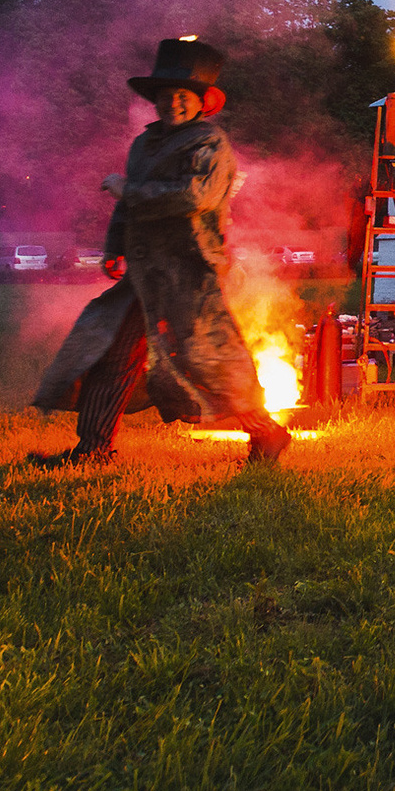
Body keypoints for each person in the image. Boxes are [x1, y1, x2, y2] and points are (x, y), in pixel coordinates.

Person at [30, 38, 289, 468]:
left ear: (201, 102)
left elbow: (196, 196)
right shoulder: (144, 145)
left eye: (183, 96)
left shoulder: (210, 143)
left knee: (206, 359)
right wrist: (115, 246)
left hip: (189, 271)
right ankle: (93, 450)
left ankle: (268, 434)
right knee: (111, 354)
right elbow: (126, 204)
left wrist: (128, 189)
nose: (174, 104)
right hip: (144, 272)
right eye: (166, 96)